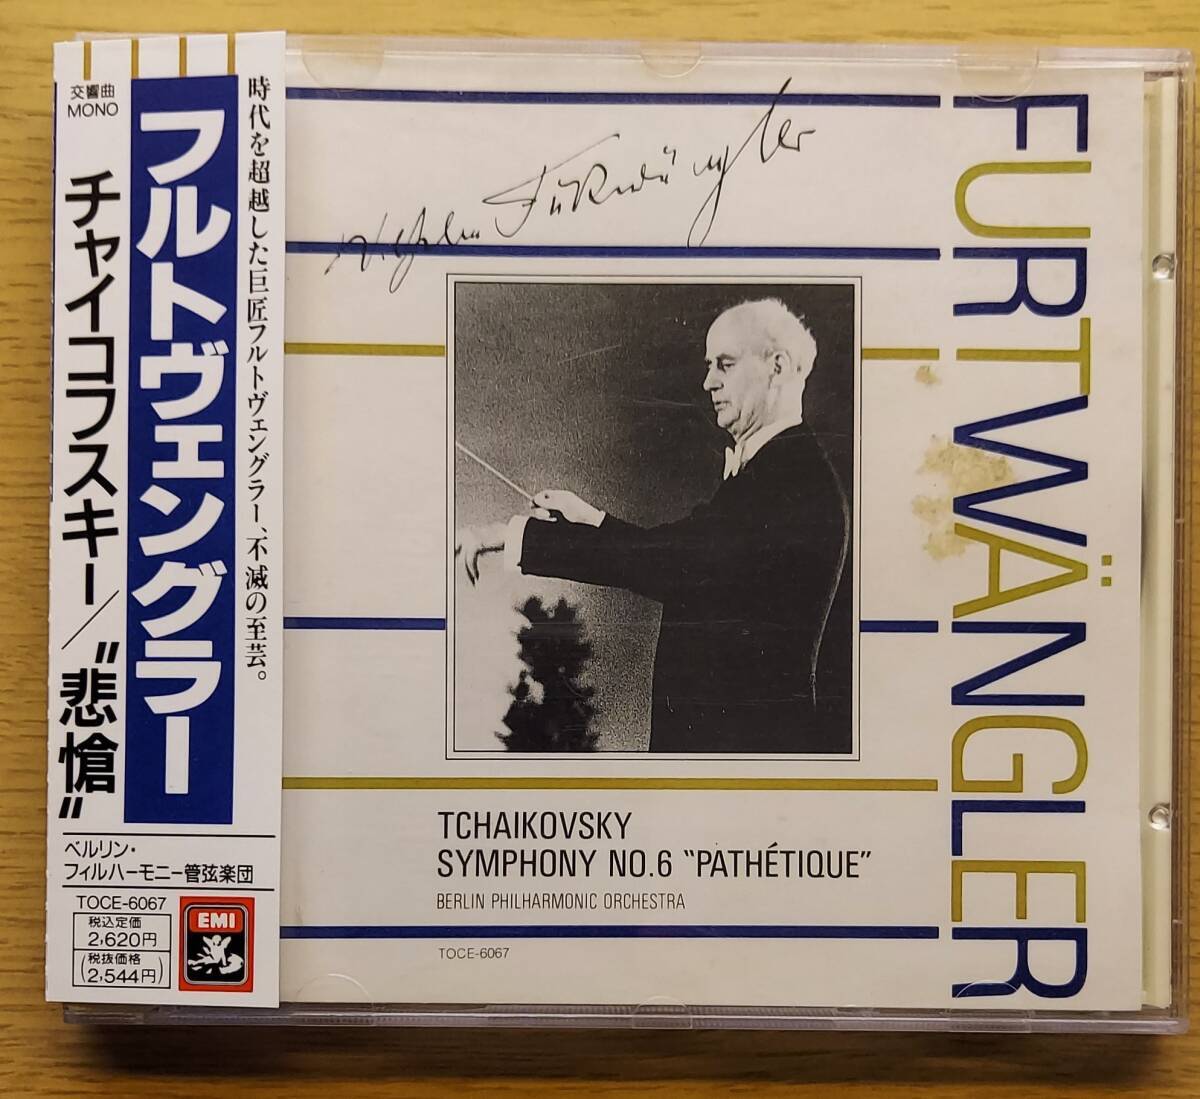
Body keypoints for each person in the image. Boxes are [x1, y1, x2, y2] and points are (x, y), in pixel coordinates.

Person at [456, 298, 849, 753]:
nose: (708, 382)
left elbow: (671, 561)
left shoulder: (792, 478)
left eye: (724, 364)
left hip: (746, 758)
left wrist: (507, 535)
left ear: (776, 366)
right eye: (709, 366)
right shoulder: (777, 468)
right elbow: (682, 553)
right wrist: (592, 519)